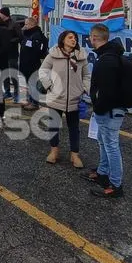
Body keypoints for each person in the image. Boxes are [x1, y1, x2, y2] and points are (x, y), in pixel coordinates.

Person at [85, 23, 127, 198]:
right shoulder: (109, 55)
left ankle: (115, 185)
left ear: (94, 37)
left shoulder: (106, 60)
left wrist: (98, 108)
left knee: (111, 146)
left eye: (90, 36)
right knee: (103, 141)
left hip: (110, 110)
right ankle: (102, 174)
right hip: (110, 109)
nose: (89, 39)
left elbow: (106, 91)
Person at [38, 29, 90, 167]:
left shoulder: (81, 56)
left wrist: (84, 89)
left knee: (74, 128)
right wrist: (49, 85)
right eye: (70, 37)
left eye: (75, 38)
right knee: (54, 126)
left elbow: (86, 75)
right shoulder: (53, 54)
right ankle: (54, 151)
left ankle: (74, 154)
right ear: (63, 40)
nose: (73, 40)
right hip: (56, 97)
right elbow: (43, 71)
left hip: (74, 98)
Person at [19, 16, 49, 112]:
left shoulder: (36, 35)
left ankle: (34, 103)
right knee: (29, 83)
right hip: (25, 63)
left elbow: (37, 51)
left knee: (33, 83)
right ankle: (30, 100)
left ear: (32, 25)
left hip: (32, 64)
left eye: (26, 24)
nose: (25, 26)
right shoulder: (27, 34)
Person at [0, 7, 23, 103]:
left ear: (4, 14)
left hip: (12, 53)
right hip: (2, 54)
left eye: (0, 13)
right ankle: (7, 91)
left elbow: (20, 37)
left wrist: (10, 41)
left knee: (13, 73)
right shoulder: (0, 24)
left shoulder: (14, 24)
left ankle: (16, 94)